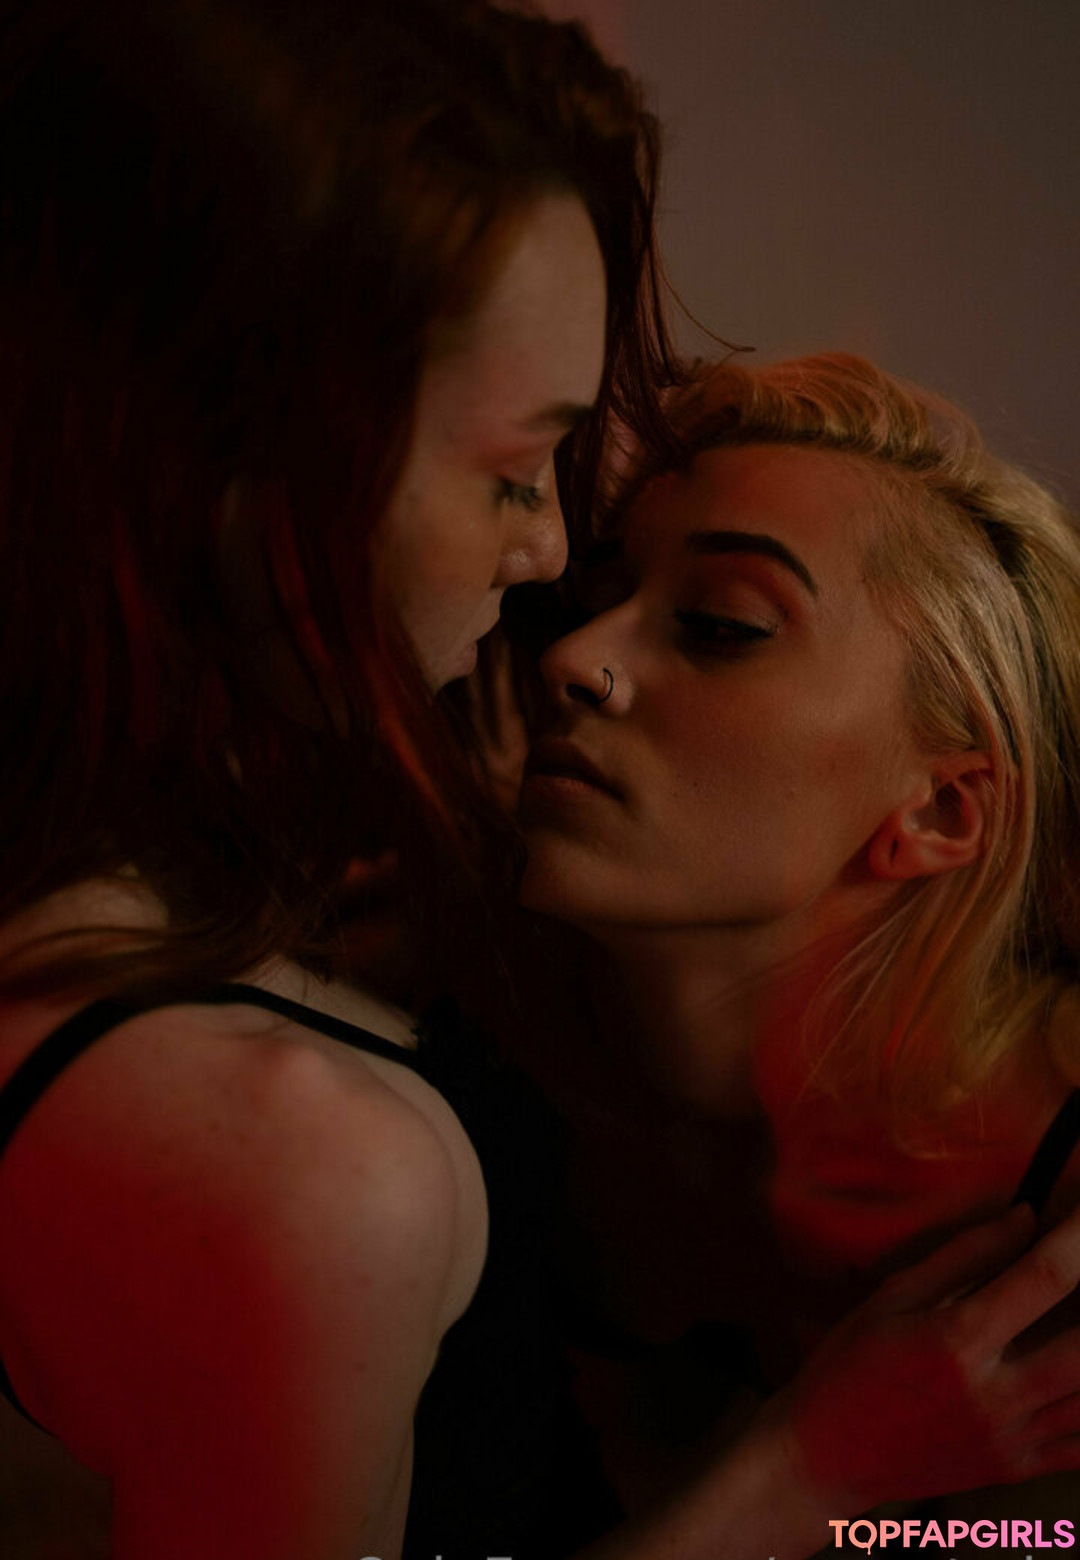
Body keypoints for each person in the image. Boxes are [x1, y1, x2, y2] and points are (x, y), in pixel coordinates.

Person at [1, 0, 1079, 1550]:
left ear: (943, 809)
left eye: (720, 625)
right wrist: (816, 1482)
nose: (566, 627)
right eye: (522, 484)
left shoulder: (1037, 1179)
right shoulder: (406, 1040)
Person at [514, 350, 1080, 1519]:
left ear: (940, 811)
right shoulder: (469, 1052)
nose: (573, 660)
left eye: (719, 625)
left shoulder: (1054, 1210)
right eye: (591, 598)